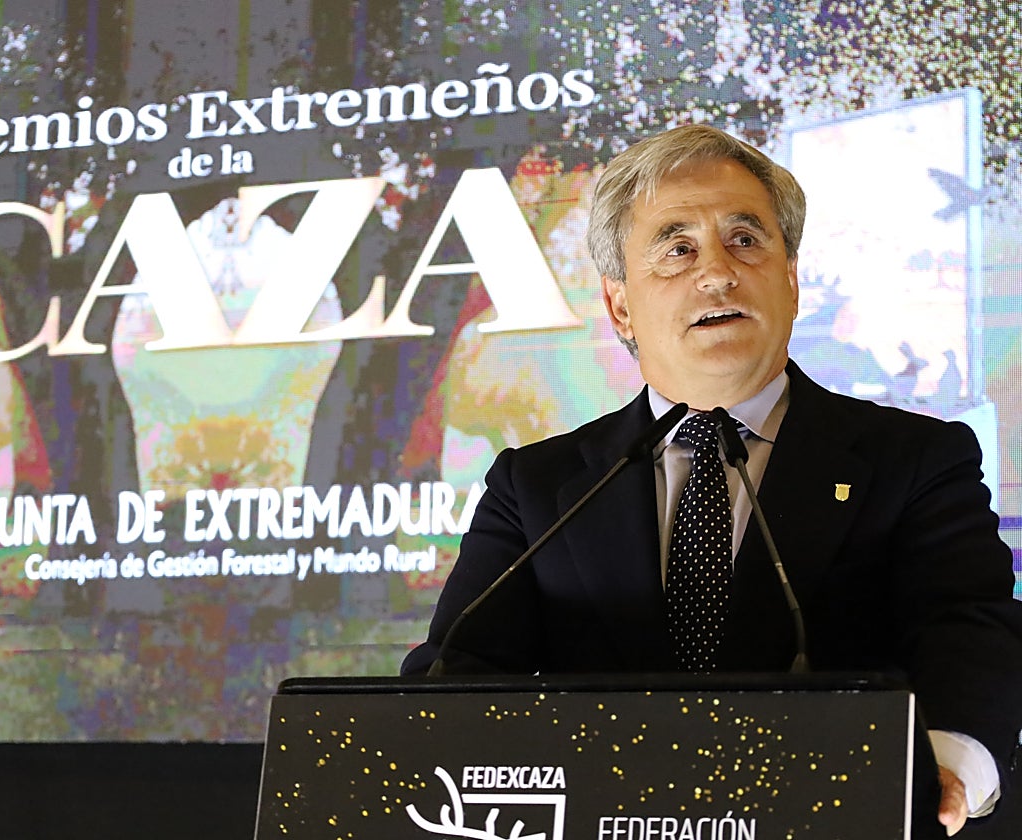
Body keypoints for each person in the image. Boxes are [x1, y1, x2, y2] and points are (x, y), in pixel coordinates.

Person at [401, 124, 1022, 835]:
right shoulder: (538, 485)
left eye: (746, 240)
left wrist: (946, 768)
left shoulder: (915, 459)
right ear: (620, 306)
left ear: (790, 281)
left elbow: (966, 628)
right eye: (677, 249)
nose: (717, 273)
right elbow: (460, 669)